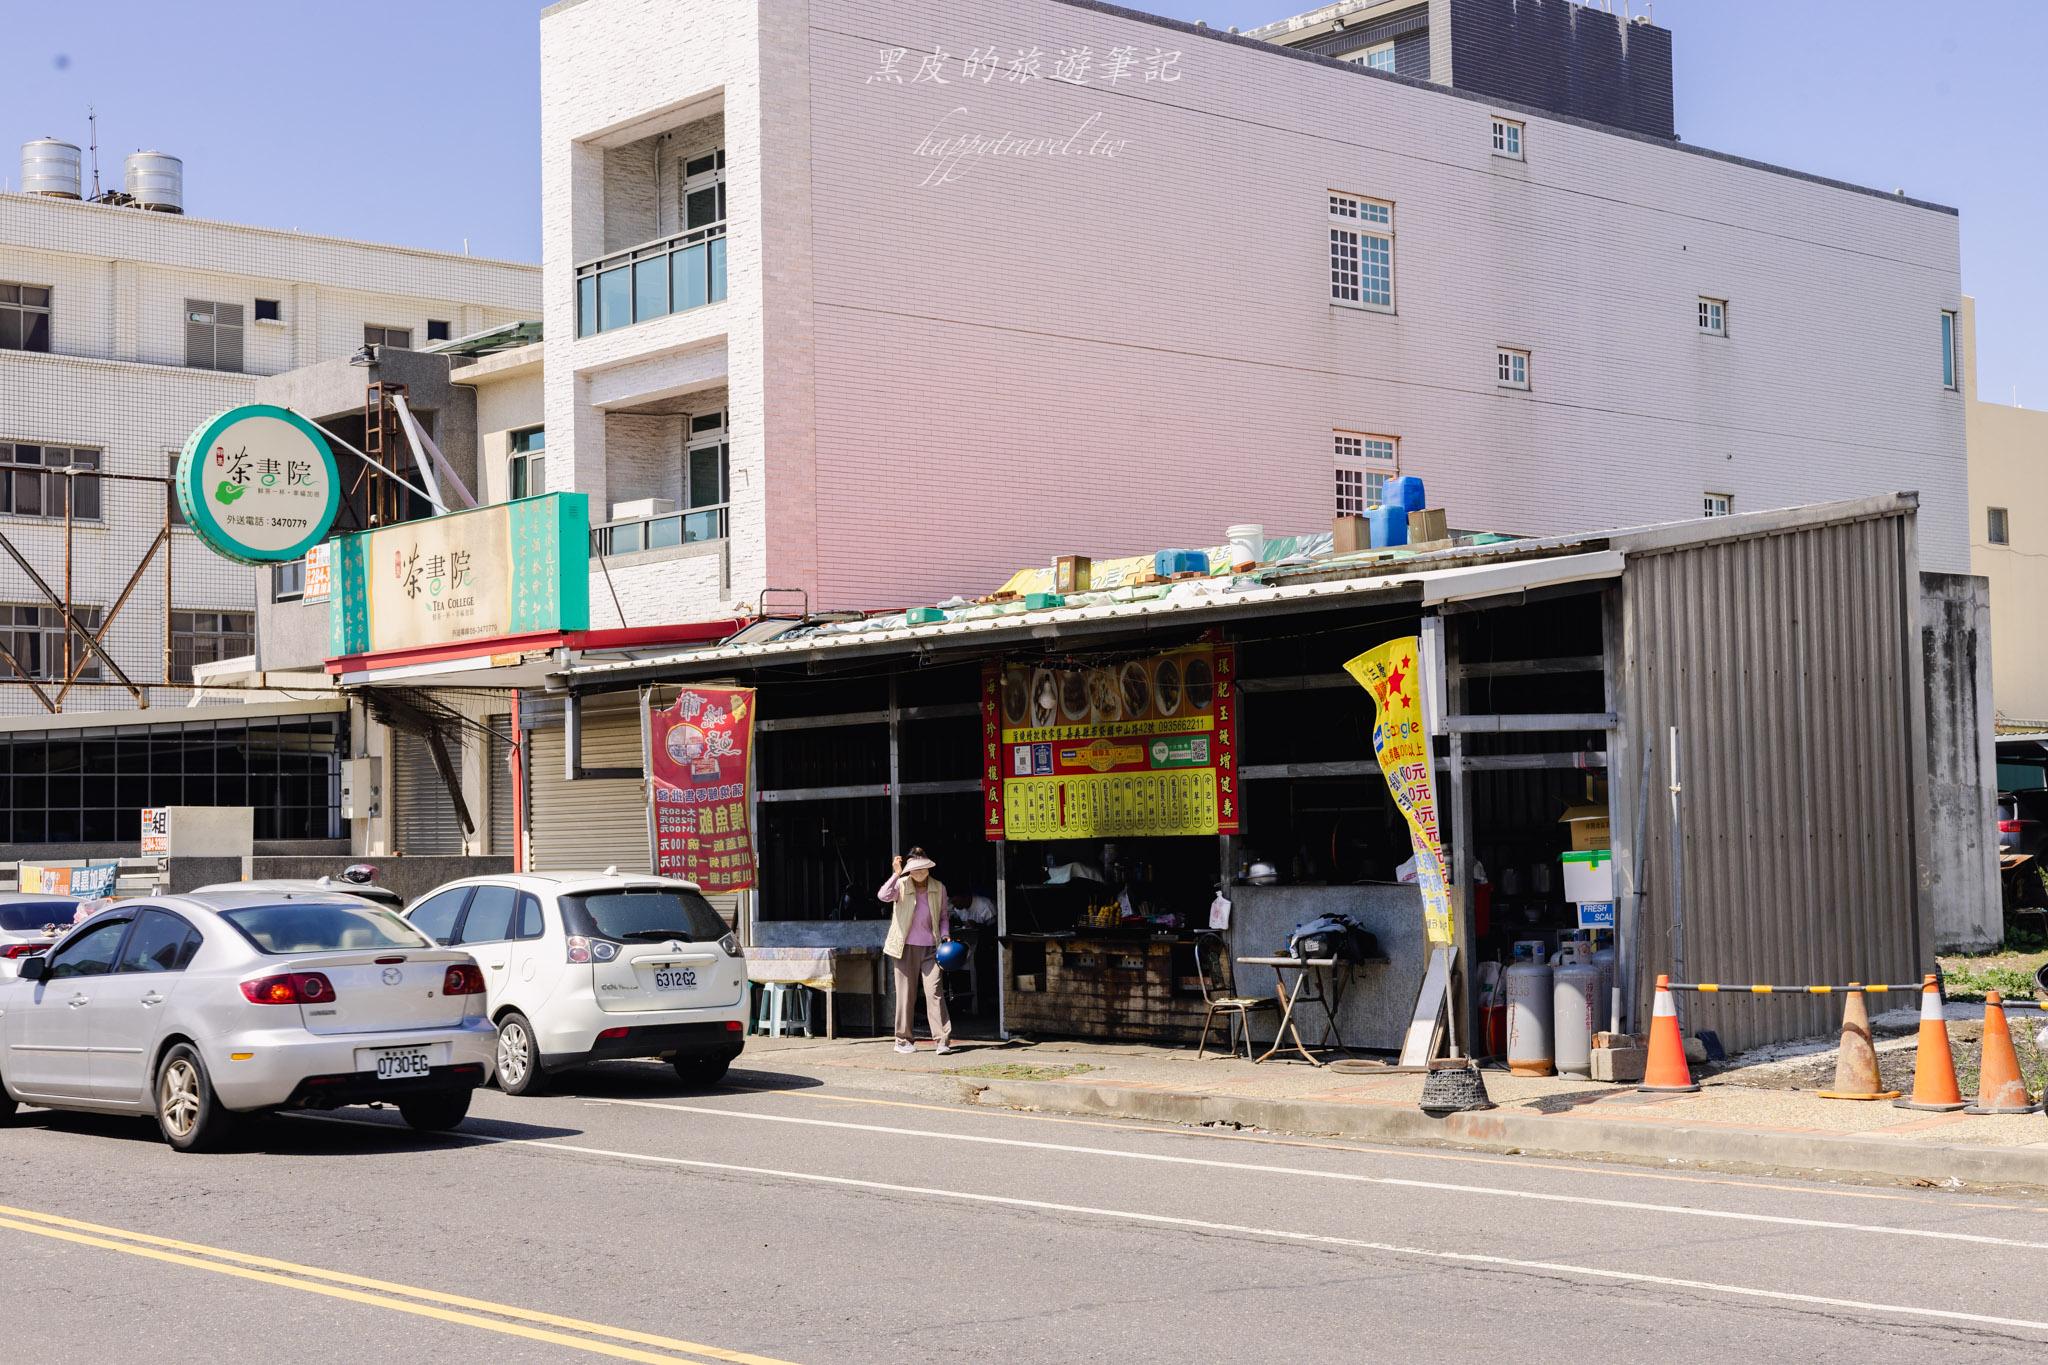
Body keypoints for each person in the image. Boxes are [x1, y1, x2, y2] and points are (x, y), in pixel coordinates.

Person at [878, 847, 955, 1055]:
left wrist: (946, 934)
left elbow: (944, 917)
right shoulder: (901, 885)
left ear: (928, 868)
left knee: (935, 993)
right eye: (914, 869)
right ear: (909, 870)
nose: (919, 872)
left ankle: (942, 1041)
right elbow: (883, 895)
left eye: (923, 868)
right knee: (905, 995)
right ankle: (903, 1040)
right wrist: (896, 873)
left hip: (932, 948)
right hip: (904, 949)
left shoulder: (939, 888)